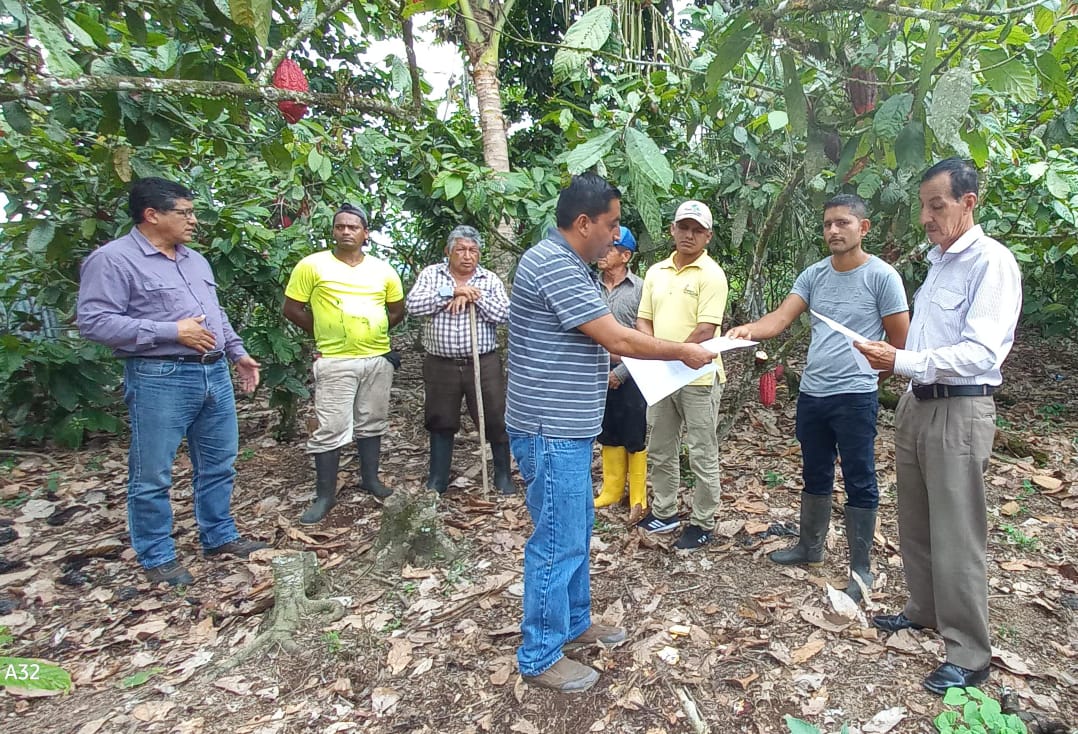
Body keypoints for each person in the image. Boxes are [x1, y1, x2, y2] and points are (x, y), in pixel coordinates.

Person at [507, 174, 716, 692]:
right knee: (556, 540)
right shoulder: (552, 263)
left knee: (576, 529)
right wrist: (682, 352)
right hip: (549, 426)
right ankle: (539, 654)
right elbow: (615, 337)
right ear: (584, 223)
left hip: (569, 426)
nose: (617, 234)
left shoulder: (574, 266)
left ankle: (574, 622)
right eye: (613, 223)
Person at [856, 159, 1022, 695]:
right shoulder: (939, 263)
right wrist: (894, 365)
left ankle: (970, 653)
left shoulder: (990, 263)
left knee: (956, 530)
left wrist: (900, 360)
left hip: (960, 409)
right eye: (923, 206)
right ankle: (923, 609)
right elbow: (928, 342)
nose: (927, 217)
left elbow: (981, 352)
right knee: (916, 519)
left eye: (937, 205)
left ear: (968, 202)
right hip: (918, 403)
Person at [77, 177, 267, 587]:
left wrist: (237, 353)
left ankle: (219, 536)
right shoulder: (113, 260)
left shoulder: (195, 260)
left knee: (218, 463)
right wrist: (171, 331)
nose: (193, 220)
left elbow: (215, 314)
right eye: (185, 213)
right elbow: (93, 322)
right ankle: (157, 556)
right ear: (152, 215)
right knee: (153, 473)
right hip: (160, 376)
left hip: (213, 372)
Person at [726, 194, 909, 603]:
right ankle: (810, 547)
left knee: (860, 477)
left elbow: (900, 343)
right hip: (813, 392)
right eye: (828, 224)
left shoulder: (882, 277)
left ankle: (860, 569)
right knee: (815, 472)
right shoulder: (814, 275)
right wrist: (748, 330)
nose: (833, 230)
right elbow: (781, 318)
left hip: (856, 395)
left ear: (863, 228)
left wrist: (872, 378)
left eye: (843, 222)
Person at [283, 204, 405, 524]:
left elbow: (396, 310)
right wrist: (324, 332)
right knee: (331, 427)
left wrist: (375, 334)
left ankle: (370, 479)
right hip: (335, 360)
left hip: (376, 358)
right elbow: (292, 308)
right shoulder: (313, 266)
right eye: (340, 227)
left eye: (353, 227)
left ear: (366, 234)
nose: (346, 231)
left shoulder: (383, 270)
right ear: (333, 231)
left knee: (372, 421)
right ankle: (325, 495)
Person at [634, 201, 728, 551]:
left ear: (708, 236)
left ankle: (703, 521)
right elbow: (643, 319)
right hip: (661, 376)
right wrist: (658, 355)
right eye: (683, 227)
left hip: (698, 377)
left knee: (702, 451)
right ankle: (665, 511)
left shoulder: (712, 275)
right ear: (672, 230)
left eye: (697, 230)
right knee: (660, 446)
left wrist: (667, 356)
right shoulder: (656, 272)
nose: (689, 235)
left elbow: (705, 329)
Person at [405, 225, 514, 494]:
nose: (467, 256)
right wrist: (451, 292)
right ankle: (438, 478)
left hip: (482, 362)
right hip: (441, 363)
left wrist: (475, 296)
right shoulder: (432, 275)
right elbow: (413, 305)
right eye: (461, 250)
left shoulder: (488, 279)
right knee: (440, 418)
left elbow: (504, 314)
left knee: (495, 417)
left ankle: (503, 475)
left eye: (473, 250)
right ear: (448, 251)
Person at [593, 226, 648, 518]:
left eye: (610, 248)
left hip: (634, 372)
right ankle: (611, 490)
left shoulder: (641, 289)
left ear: (625, 256)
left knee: (634, 430)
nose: (602, 252)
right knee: (607, 429)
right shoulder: (590, 285)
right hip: (596, 370)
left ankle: (638, 494)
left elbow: (647, 337)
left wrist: (622, 372)